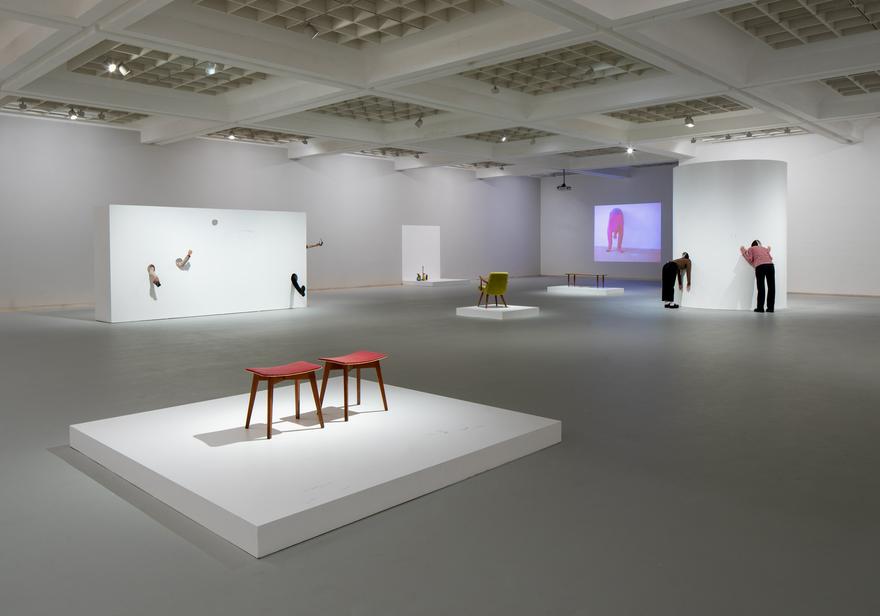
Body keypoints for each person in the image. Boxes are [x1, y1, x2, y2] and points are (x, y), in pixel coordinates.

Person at [740, 240, 775, 312]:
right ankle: (770, 308)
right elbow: (770, 258)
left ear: (752, 245)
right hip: (770, 266)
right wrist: (768, 249)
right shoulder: (764, 248)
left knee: (761, 287)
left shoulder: (751, 248)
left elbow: (750, 259)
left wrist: (744, 252)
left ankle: (760, 308)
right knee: (771, 287)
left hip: (760, 267)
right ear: (759, 245)